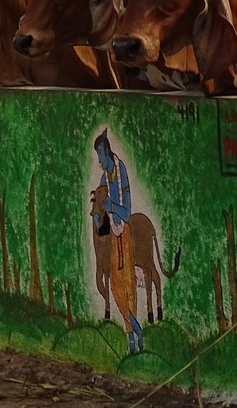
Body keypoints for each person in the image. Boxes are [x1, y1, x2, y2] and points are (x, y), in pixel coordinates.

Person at [95, 128, 142, 352]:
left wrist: (111, 207)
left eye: (100, 156)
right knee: (115, 287)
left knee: (128, 288)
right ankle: (134, 327)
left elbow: (127, 211)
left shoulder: (120, 171)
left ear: (106, 152)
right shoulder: (104, 179)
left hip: (125, 236)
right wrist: (99, 220)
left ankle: (133, 338)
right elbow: (103, 223)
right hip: (114, 238)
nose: (99, 161)